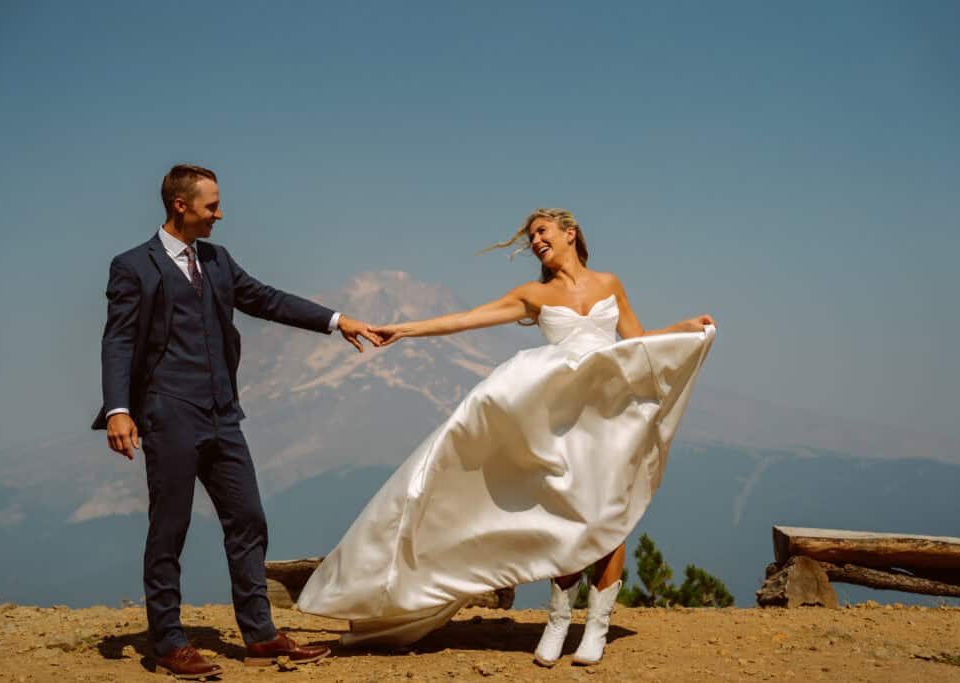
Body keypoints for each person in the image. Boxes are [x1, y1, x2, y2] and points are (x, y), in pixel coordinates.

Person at [296, 208, 716, 667]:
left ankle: (595, 625)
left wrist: (682, 329)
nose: (535, 241)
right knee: (570, 515)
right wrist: (406, 329)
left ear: (569, 233)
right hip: (560, 414)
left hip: (607, 412)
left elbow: (636, 340)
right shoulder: (533, 294)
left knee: (610, 511)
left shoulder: (610, 283)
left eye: (542, 232)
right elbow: (468, 319)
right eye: (531, 236)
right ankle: (559, 621)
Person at [92, 164, 381, 678]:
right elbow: (117, 339)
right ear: (181, 205)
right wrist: (119, 410)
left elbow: (266, 300)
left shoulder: (218, 261)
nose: (220, 214)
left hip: (223, 414)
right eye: (211, 205)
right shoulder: (134, 266)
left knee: (248, 519)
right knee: (170, 527)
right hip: (168, 411)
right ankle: (169, 640)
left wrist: (337, 321)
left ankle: (262, 636)